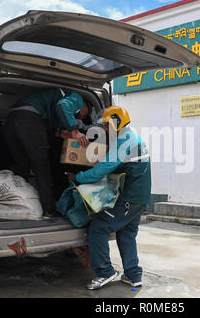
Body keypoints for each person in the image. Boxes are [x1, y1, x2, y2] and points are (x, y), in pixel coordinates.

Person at [71, 106, 151, 290]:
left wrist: (78, 177)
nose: (106, 129)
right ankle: (133, 275)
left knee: (99, 227)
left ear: (116, 122)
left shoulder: (125, 142)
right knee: (126, 233)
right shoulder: (132, 137)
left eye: (107, 125)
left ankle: (104, 272)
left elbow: (102, 170)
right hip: (140, 198)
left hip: (130, 199)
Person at [3, 88, 90, 218]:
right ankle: (49, 210)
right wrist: (74, 131)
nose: (80, 117)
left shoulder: (51, 107)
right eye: (82, 115)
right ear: (86, 105)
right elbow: (63, 106)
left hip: (12, 120)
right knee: (41, 166)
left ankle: (19, 205)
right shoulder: (77, 98)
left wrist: (60, 133)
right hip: (29, 117)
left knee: (22, 166)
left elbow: (46, 123)